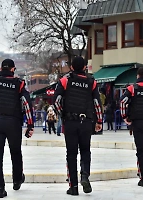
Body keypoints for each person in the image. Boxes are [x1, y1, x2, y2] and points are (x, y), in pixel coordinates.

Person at [0, 59, 34, 198]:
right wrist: (30, 125)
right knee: (15, 152)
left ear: (0, 68)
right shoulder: (19, 84)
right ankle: (17, 180)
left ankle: (0, 188)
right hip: (13, 123)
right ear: (13, 69)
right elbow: (27, 104)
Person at [53, 56, 103, 196]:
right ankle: (85, 176)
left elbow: (56, 102)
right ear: (85, 67)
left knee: (71, 154)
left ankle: (73, 187)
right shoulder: (91, 82)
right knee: (85, 151)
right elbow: (97, 104)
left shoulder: (64, 81)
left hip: (70, 122)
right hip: (86, 122)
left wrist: (62, 114)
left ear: (72, 67)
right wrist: (99, 121)